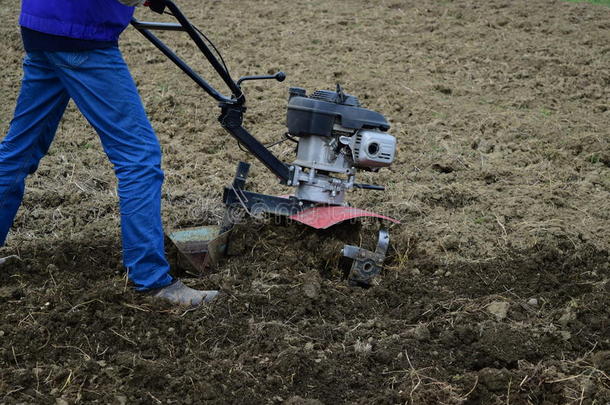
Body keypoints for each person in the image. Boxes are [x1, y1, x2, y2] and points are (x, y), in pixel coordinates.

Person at [0, 0, 218, 306]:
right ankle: (152, 281)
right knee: (139, 157)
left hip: (42, 24)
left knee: (19, 151)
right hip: (81, 33)